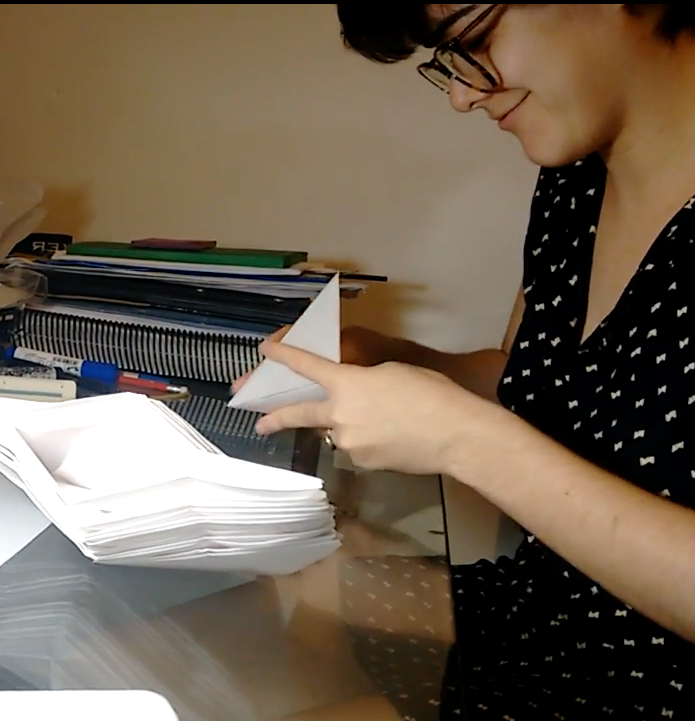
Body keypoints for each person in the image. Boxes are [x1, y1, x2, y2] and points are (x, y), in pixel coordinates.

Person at [236, 4, 695, 719]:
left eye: (474, 40)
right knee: (271, 600)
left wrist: (463, 439)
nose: (461, 94)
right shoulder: (574, 182)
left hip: (649, 678)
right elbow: (548, 383)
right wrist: (390, 360)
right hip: (543, 614)